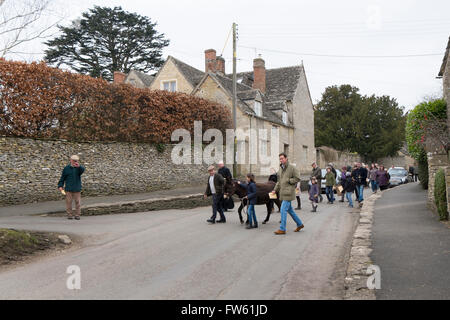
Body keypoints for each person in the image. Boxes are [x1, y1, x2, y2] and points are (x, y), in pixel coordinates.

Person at [271, 153, 304, 235]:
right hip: (282, 192)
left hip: (288, 193)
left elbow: (298, 178)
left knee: (282, 210)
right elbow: (279, 181)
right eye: (280, 159)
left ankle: (282, 229)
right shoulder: (281, 169)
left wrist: (289, 180)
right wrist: (275, 190)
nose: (281, 160)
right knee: (290, 211)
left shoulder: (292, 168)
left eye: (282, 158)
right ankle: (300, 224)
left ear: (286, 158)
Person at [58, 155, 85, 220]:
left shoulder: (79, 168)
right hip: (68, 189)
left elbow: (82, 170)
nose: (75, 162)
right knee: (68, 202)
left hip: (77, 188)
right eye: (74, 160)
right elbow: (62, 178)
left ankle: (77, 215)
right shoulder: (66, 168)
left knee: (77, 202)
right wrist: (60, 185)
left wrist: (79, 166)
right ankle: (69, 214)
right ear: (71, 160)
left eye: (76, 160)